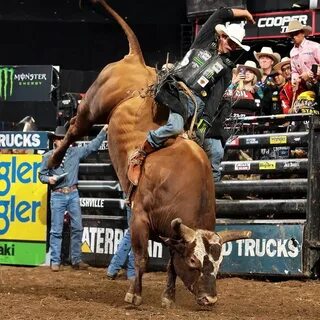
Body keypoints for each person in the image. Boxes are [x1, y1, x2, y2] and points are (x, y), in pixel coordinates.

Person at [128, 7, 255, 184]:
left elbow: (214, 99)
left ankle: (209, 188)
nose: (230, 46)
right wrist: (244, 13)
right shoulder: (202, 42)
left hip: (197, 103)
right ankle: (141, 152)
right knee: (174, 127)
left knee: (212, 149)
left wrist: (203, 124)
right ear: (222, 36)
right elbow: (220, 14)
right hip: (176, 89)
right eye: (229, 40)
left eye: (234, 44)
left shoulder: (226, 69)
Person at [39, 124, 108, 271]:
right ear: (55, 141)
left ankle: (76, 259)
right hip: (57, 194)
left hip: (72, 193)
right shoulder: (48, 156)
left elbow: (92, 147)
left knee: (77, 227)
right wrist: (48, 179)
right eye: (58, 139)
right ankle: (55, 261)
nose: (61, 141)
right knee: (56, 230)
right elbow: (41, 175)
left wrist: (102, 132)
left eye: (63, 139)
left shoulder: (74, 152)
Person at [281, 20, 320, 89]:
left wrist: (310, 74)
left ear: (303, 33)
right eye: (291, 35)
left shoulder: (315, 46)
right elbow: (294, 71)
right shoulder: (292, 52)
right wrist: (294, 80)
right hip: (305, 86)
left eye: (296, 33)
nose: (293, 37)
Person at [106, 204, 135, 280]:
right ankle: (132, 272)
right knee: (136, 233)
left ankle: (113, 269)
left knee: (132, 232)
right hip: (138, 200)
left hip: (133, 199)